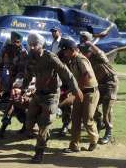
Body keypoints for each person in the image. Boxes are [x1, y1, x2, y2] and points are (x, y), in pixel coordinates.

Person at [22, 33, 83, 163]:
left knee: (44, 124)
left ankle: (39, 152)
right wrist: (23, 89)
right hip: (38, 94)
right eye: (30, 45)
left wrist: (75, 89)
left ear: (41, 45)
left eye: (35, 45)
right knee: (29, 121)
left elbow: (66, 72)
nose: (32, 47)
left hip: (51, 96)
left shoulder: (50, 57)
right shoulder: (30, 57)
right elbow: (27, 75)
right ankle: (41, 135)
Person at [58, 38, 99, 153]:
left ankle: (94, 140)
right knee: (75, 119)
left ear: (72, 50)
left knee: (87, 119)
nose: (64, 54)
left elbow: (87, 77)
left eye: (65, 51)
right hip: (80, 93)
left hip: (90, 93)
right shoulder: (72, 60)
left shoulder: (81, 60)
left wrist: (75, 89)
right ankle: (74, 145)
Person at [80, 31, 118, 145]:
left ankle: (108, 132)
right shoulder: (84, 58)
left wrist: (90, 44)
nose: (84, 54)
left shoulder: (99, 56)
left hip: (110, 84)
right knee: (91, 106)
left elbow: (102, 54)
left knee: (107, 110)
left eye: (86, 52)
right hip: (98, 84)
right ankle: (100, 122)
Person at [50, 26, 73, 136]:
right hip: (57, 76)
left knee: (66, 103)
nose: (53, 33)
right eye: (52, 32)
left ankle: (66, 125)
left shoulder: (65, 44)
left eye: (55, 31)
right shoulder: (53, 44)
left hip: (67, 78)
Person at [0, 31, 26, 100]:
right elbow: (0, 62)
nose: (15, 43)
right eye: (13, 41)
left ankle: (13, 93)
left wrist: (16, 83)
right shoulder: (7, 48)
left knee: (15, 83)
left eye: (17, 41)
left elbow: (22, 70)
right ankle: (6, 91)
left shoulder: (23, 52)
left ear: (20, 42)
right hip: (9, 70)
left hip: (19, 73)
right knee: (4, 76)